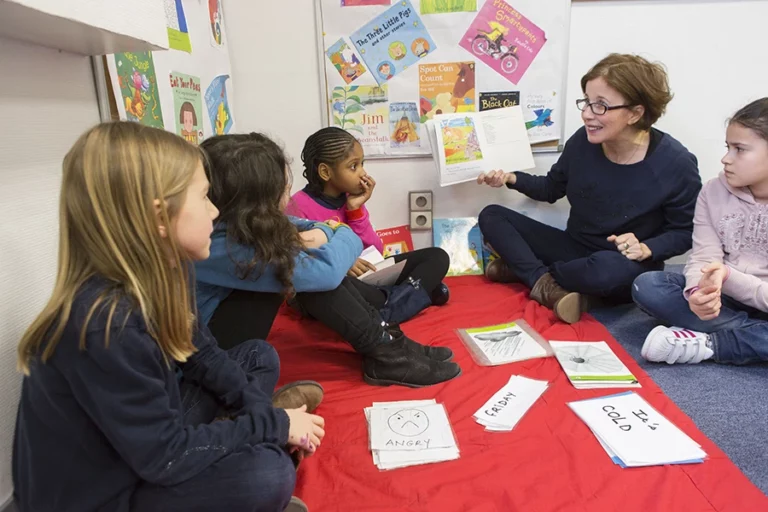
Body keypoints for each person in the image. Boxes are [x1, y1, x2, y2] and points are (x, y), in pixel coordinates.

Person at [13, 122, 324, 512]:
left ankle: (232, 442)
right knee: (268, 473)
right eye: (205, 197)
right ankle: (239, 453)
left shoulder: (168, 271)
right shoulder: (106, 325)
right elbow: (162, 455)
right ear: (161, 217)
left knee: (258, 357)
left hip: (142, 443)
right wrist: (275, 425)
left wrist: (264, 415)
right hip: (104, 490)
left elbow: (204, 355)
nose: (214, 211)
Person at [196, 133, 460, 388]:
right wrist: (335, 231)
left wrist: (328, 229)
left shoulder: (236, 226)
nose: (287, 193)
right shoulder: (221, 246)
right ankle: (387, 350)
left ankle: (387, 341)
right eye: (282, 188)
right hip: (207, 361)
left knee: (315, 268)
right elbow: (326, 270)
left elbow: (358, 243)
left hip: (352, 273)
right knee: (312, 274)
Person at [477, 53, 702, 324]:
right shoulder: (583, 142)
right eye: (586, 101)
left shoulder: (676, 163)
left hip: (622, 262)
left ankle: (528, 270)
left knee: (606, 272)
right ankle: (545, 284)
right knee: (492, 215)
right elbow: (550, 189)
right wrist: (511, 178)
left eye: (600, 106)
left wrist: (646, 248)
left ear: (635, 113)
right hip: (575, 249)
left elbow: (686, 231)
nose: (586, 114)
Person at [632, 98, 768, 365]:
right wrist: (697, 293)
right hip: (724, 297)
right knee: (647, 285)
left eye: (740, 149)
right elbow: (704, 255)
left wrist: (728, 276)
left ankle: (709, 344)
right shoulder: (713, 190)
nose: (725, 159)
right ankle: (752, 337)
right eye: (728, 147)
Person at [286, 126, 451, 314]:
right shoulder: (297, 206)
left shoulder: (350, 200)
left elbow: (375, 251)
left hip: (369, 274)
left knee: (437, 257)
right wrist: (343, 263)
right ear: (325, 172)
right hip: (338, 281)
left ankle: (393, 301)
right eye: (353, 166)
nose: (363, 173)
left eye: (362, 164)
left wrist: (355, 210)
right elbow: (298, 262)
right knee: (333, 290)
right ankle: (411, 297)